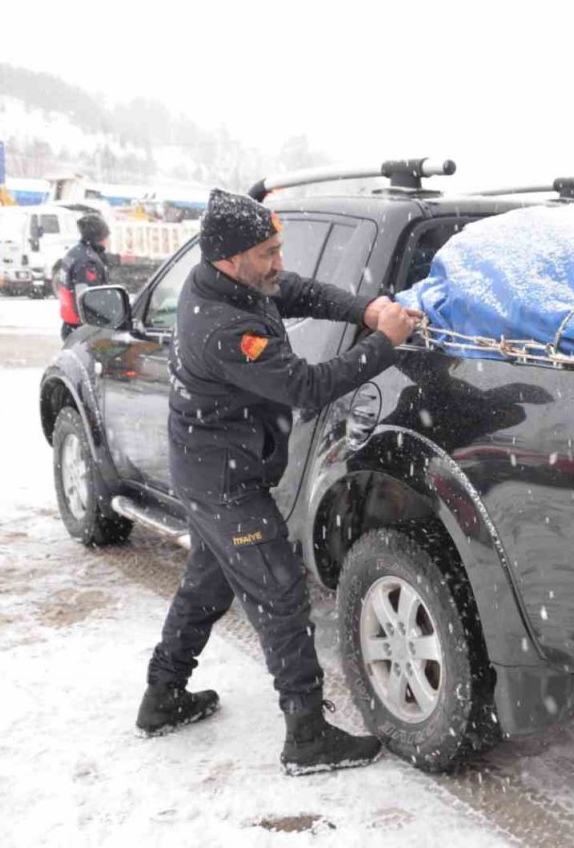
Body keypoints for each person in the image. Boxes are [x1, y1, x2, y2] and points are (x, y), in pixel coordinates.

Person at [136, 188, 423, 776]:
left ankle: (162, 697)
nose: (279, 262)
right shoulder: (222, 328)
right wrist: (385, 342)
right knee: (282, 594)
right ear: (229, 258)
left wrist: (366, 310)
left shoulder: (233, 284)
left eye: (278, 248)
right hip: (225, 484)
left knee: (205, 589)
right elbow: (308, 388)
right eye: (267, 252)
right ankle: (307, 737)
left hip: (213, 470)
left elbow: (297, 291)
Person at [57, 213, 111, 339]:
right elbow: (86, 298)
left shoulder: (74, 253)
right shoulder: (87, 262)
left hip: (69, 324)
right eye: (107, 235)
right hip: (82, 329)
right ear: (100, 237)